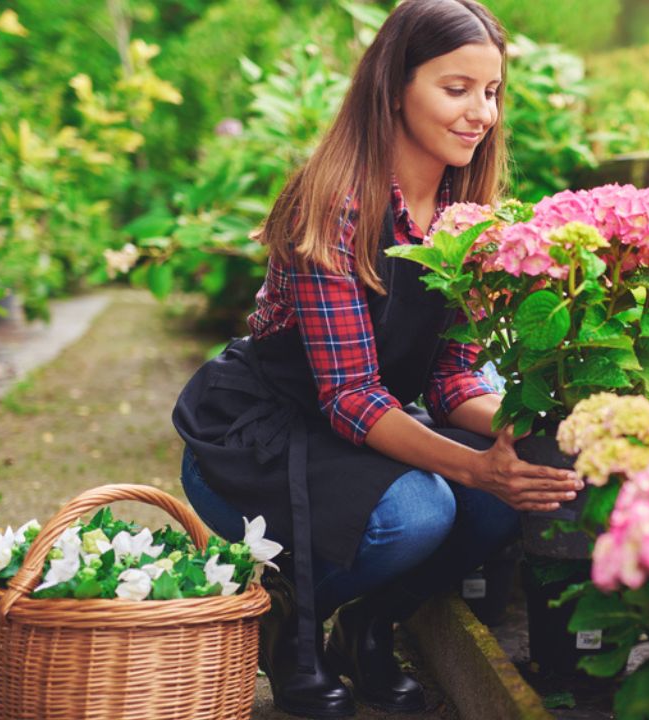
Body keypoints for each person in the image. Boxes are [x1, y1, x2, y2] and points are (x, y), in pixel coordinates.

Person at [171, 1, 582, 716]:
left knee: (508, 494)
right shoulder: (331, 204)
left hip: (353, 436)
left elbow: (453, 379)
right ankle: (284, 622)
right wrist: (474, 464)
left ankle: (368, 627)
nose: (480, 113)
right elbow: (351, 394)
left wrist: (522, 430)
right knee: (420, 510)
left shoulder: (468, 213)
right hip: (256, 441)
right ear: (395, 86)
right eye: (456, 89)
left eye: (491, 92)